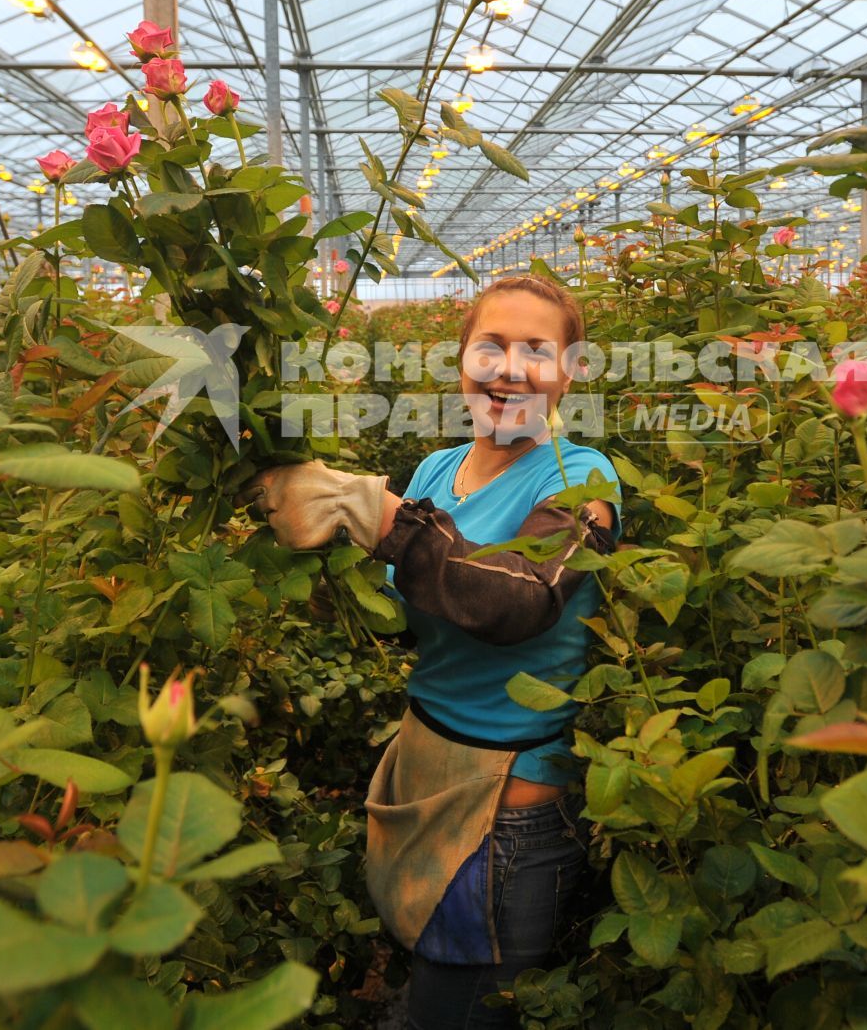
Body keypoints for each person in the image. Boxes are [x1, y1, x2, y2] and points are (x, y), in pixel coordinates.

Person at [251, 276, 621, 1029]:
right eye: (491, 344)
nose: (510, 367)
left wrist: (380, 516)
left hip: (507, 805)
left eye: (536, 349)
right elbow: (400, 607)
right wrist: (308, 557)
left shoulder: (584, 480)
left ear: (572, 369)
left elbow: (517, 598)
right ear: (462, 361)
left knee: (463, 1010)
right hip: (423, 767)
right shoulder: (434, 472)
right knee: (436, 987)